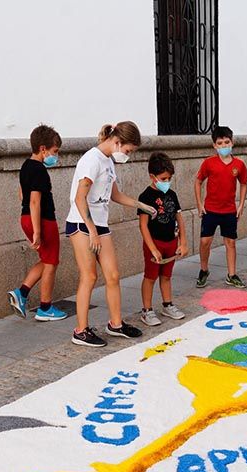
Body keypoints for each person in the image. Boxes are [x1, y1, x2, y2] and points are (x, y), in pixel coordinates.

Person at [66, 121, 158, 347]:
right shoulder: (91, 160)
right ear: (117, 142)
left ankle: (115, 324)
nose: (128, 155)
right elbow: (79, 198)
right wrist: (92, 231)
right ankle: (80, 331)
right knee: (89, 276)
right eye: (128, 151)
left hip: (99, 224)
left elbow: (115, 194)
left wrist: (143, 206)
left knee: (113, 275)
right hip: (81, 224)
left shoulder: (108, 161)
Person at [8, 124, 67, 322]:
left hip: (25, 217)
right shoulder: (40, 170)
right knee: (51, 263)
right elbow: (34, 200)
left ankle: (22, 293)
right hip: (42, 220)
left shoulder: (26, 166)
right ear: (43, 149)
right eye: (54, 151)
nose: (55, 156)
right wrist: (37, 231)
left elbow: (21, 194)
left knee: (46, 259)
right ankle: (45, 308)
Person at [195, 125, 247, 289]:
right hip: (210, 209)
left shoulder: (239, 165)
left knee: (230, 243)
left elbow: (244, 183)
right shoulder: (209, 163)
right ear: (214, 145)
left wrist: (241, 205)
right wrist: (199, 204)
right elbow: (198, 182)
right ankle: (204, 270)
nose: (224, 146)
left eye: (227, 142)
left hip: (229, 211)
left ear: (232, 143)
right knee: (205, 242)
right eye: (220, 143)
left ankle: (231, 274)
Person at [137, 152, 187, 326]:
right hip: (155, 242)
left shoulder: (172, 194)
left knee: (166, 276)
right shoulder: (145, 197)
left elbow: (179, 218)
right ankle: (147, 310)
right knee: (150, 277)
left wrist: (183, 242)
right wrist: (152, 248)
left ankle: (167, 304)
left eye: (169, 178)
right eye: (163, 178)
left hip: (171, 242)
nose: (167, 181)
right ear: (153, 177)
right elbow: (143, 226)